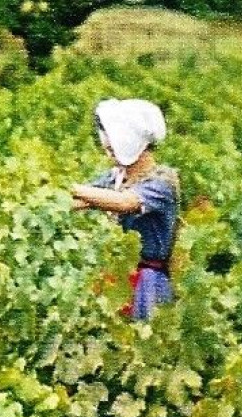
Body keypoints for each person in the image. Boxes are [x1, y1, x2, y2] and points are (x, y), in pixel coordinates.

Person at [70, 98, 178, 320]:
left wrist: (72, 188)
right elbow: (84, 199)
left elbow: (124, 203)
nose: (109, 154)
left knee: (143, 340)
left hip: (147, 282)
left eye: (113, 149)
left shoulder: (162, 182)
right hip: (115, 275)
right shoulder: (115, 177)